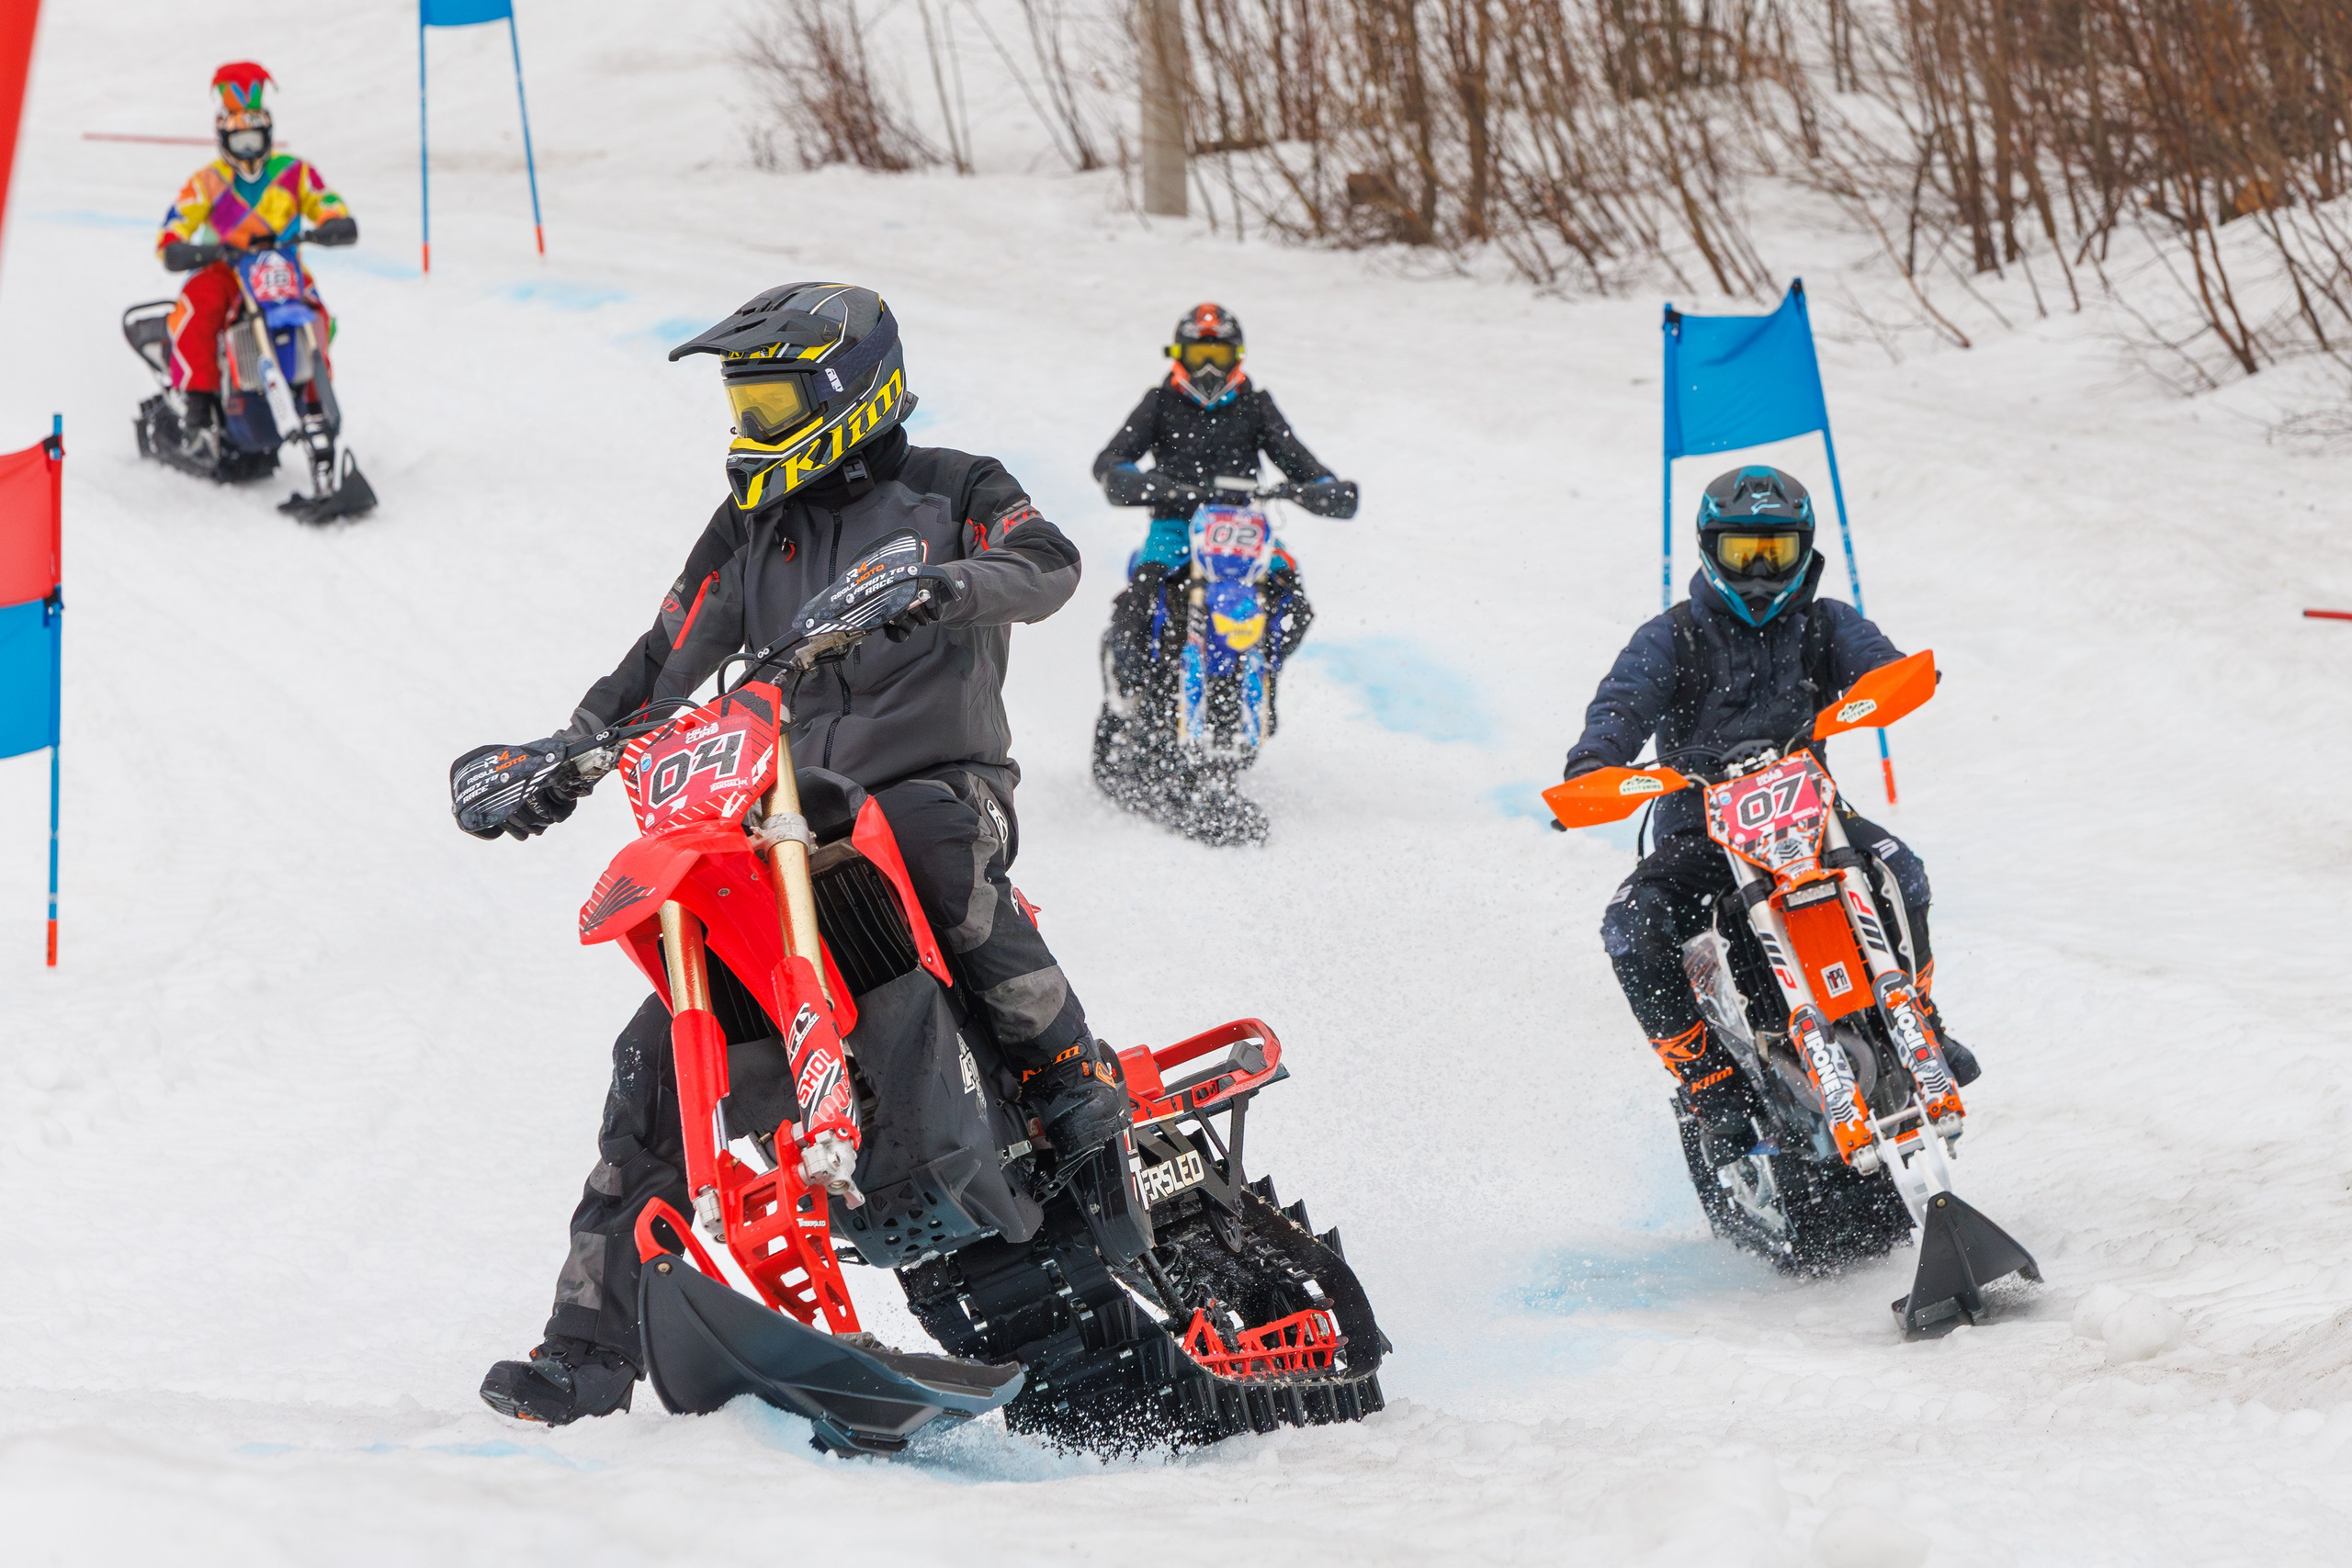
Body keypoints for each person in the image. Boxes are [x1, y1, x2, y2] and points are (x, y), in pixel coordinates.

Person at [458, 283, 1128, 1426]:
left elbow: (1049, 560)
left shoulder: (953, 487)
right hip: (779, 817)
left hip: (936, 786)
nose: (750, 425)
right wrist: (558, 757)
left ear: (850, 395)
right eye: (742, 403)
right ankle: (586, 1347)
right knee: (661, 1044)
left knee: (926, 834)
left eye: (771, 400)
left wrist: (945, 584)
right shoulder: (747, 530)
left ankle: (1069, 1072)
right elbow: (660, 662)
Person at [1562, 465, 1979, 1151]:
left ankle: (1919, 1019)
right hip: (1704, 833)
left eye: (1775, 552)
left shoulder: (1823, 624)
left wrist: (1895, 678)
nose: (1759, 572)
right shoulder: (1672, 636)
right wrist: (1596, 761)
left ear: (1804, 549)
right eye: (1743, 552)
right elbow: (1621, 701)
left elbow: (1877, 663)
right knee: (1632, 925)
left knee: (1903, 872)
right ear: (1709, 547)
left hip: (1814, 821)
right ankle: (1707, 1079)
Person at [1091, 303, 1359, 693]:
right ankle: (1129, 690)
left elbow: (1307, 467)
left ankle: (1263, 675)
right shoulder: (1161, 402)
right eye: (1201, 356)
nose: (1210, 369)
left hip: (1241, 529)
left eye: (1219, 356)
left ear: (1238, 357)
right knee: (1141, 594)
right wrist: (1143, 483)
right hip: (1174, 527)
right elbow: (1110, 461)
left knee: (1291, 594)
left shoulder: (1255, 405)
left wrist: (1316, 489)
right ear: (1179, 355)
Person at [153, 62, 356, 440]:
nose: (247, 147)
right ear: (222, 137)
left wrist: (333, 224)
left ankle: (315, 400)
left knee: (318, 317)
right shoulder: (207, 181)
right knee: (199, 304)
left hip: (284, 269)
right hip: (227, 269)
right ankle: (198, 399)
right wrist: (182, 248)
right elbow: (176, 224)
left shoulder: (295, 172)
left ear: (268, 133)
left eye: (254, 136)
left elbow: (326, 203)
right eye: (238, 138)